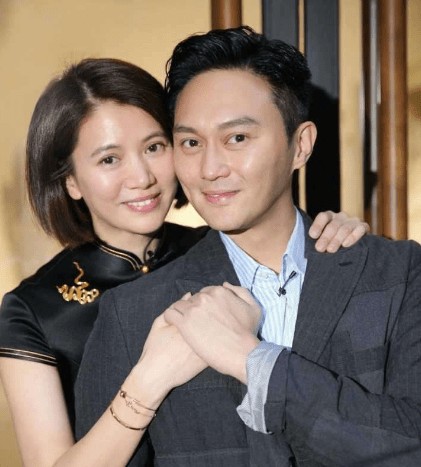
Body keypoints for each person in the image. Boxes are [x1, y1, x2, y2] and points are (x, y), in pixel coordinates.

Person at [75, 27, 421, 466]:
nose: (210, 168)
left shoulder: (399, 275)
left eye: (237, 138)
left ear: (301, 145)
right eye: (191, 143)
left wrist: (252, 361)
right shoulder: (133, 313)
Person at [0, 57, 364, 466]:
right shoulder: (34, 308)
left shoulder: (225, 246)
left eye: (154, 147)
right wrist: (152, 375)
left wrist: (328, 237)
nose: (142, 177)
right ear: (70, 180)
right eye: (109, 159)